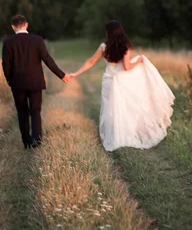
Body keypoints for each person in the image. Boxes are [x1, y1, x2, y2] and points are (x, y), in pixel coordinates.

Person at [69, 20, 175, 151]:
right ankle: (124, 135)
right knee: (123, 108)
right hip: (121, 80)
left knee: (109, 109)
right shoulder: (125, 45)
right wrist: (139, 61)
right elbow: (127, 67)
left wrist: (76, 73)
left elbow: (91, 61)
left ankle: (111, 137)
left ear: (109, 32)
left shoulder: (103, 46)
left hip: (108, 80)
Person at [1, 14, 71, 149]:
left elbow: (6, 65)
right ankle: (37, 140)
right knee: (35, 111)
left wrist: (10, 81)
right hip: (35, 82)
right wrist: (62, 75)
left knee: (22, 112)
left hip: (17, 83)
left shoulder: (8, 43)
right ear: (26, 25)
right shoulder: (37, 40)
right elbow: (48, 60)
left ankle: (26, 142)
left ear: (12, 27)